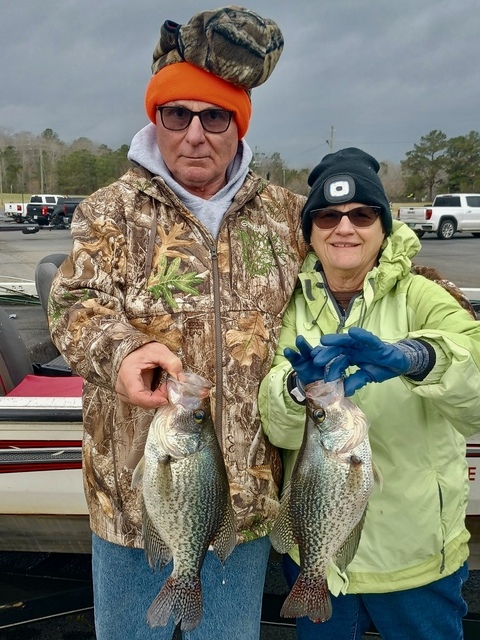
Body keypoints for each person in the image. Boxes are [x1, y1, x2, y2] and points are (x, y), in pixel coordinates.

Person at [48, 6, 307, 640]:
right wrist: (124, 351)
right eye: (177, 114)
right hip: (134, 509)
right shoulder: (108, 213)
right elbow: (71, 305)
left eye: (215, 116)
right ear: (155, 118)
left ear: (238, 124)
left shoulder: (287, 218)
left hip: (240, 512)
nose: (195, 133)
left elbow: (373, 264)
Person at [258, 147, 480, 640]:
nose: (344, 227)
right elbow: (275, 423)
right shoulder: (286, 310)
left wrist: (418, 358)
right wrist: (296, 389)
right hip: (317, 561)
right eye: (327, 216)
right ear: (310, 232)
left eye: (362, 214)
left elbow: (477, 386)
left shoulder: (425, 296)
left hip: (416, 562)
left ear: (383, 228)